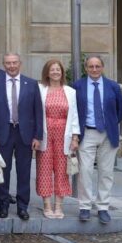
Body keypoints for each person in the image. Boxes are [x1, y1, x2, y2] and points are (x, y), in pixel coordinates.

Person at [0, 53, 42, 221]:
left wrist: (37, 136)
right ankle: (3, 205)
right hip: (3, 133)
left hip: (25, 134)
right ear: (4, 65)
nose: (11, 66)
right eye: (8, 63)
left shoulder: (31, 84)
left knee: (24, 172)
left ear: (20, 63)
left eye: (14, 63)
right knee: (3, 170)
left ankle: (22, 207)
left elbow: (38, 112)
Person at [72, 55, 122, 224]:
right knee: (85, 171)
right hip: (87, 133)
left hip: (108, 134)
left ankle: (103, 207)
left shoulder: (113, 86)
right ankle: (85, 206)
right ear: (86, 68)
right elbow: (74, 111)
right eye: (91, 67)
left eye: (97, 66)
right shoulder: (78, 86)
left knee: (106, 172)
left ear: (102, 67)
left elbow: (120, 111)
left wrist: (110, 125)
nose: (94, 69)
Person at [36, 59, 79, 219]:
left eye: (58, 70)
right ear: (47, 72)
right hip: (45, 134)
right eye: (52, 70)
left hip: (64, 134)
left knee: (62, 170)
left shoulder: (70, 91)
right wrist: (36, 135)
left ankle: (59, 206)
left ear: (62, 73)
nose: (55, 72)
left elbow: (74, 115)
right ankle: (47, 205)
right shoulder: (40, 89)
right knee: (44, 169)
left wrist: (75, 137)